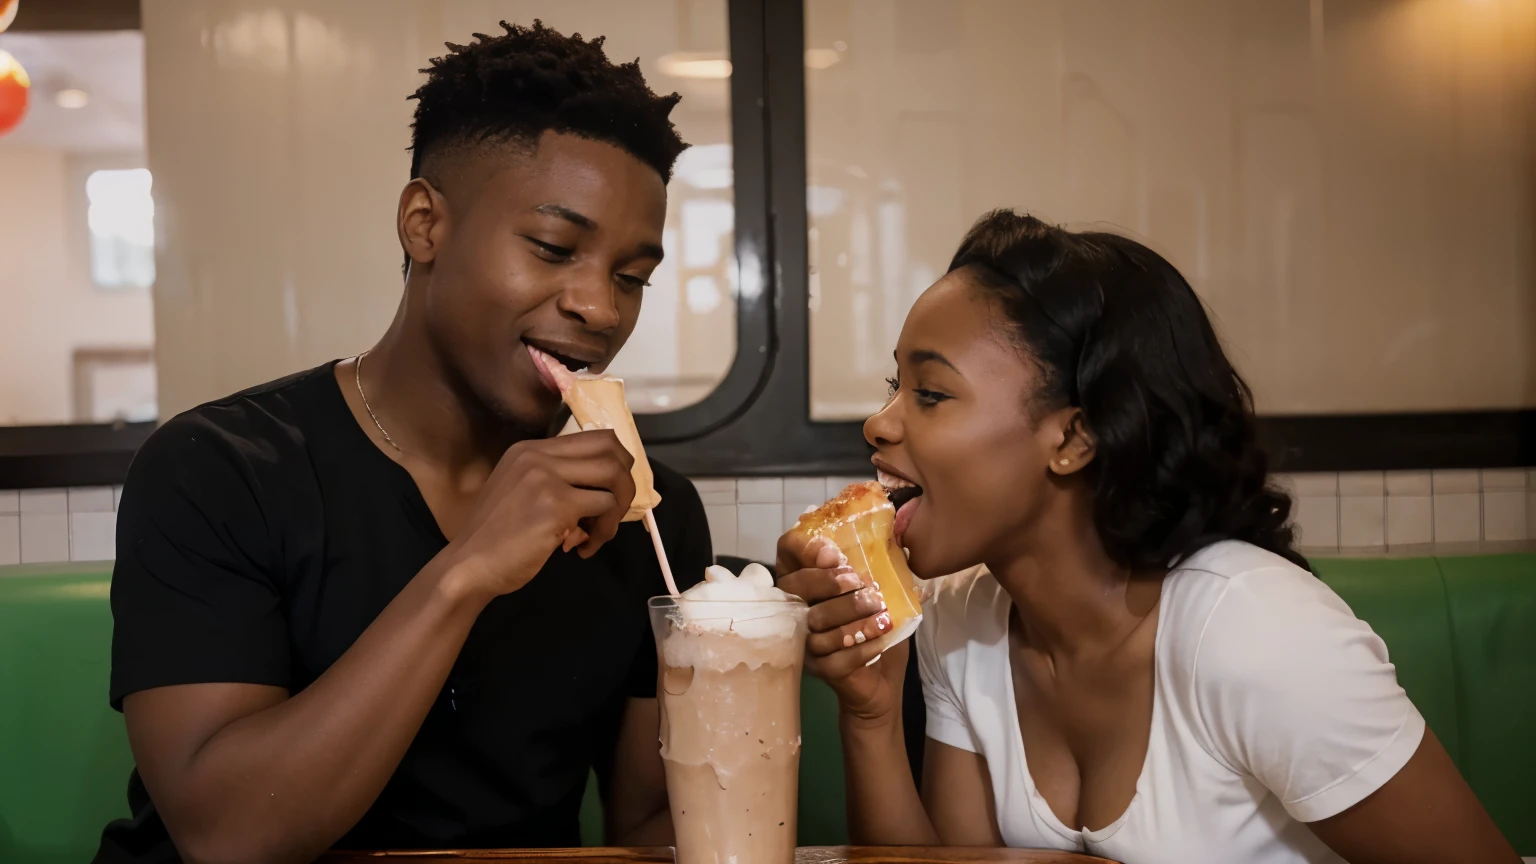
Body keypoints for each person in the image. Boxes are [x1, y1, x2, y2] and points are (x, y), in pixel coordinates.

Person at [97, 21, 712, 864]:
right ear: (424, 224)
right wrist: (466, 572)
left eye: (632, 277)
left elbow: (647, 833)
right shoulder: (219, 471)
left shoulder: (647, 518)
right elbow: (225, 834)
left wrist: (761, 655)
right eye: (554, 247)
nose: (602, 309)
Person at [776, 210, 1518, 863]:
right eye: (893, 387)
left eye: (930, 393)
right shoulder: (958, 619)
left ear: (1074, 437)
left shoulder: (1257, 634)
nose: (880, 423)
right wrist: (870, 709)